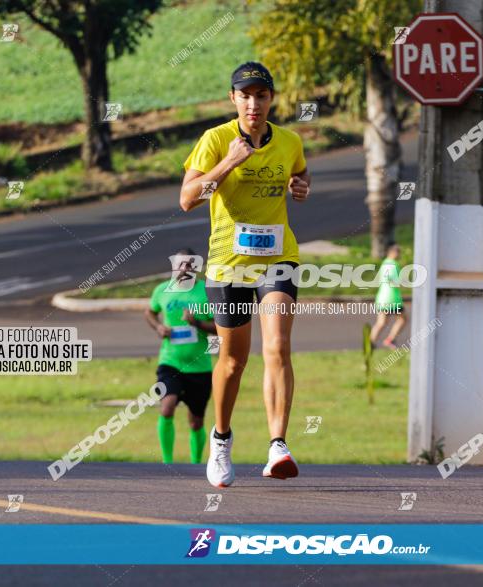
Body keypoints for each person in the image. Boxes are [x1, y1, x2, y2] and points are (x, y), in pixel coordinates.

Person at [179, 61, 311, 488]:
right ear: (233, 99)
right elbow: (187, 199)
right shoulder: (215, 140)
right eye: (246, 95)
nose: (254, 103)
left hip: (278, 258)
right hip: (228, 266)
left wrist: (300, 186)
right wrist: (228, 164)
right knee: (233, 361)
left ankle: (278, 445)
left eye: (262, 95)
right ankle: (220, 441)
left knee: (278, 346)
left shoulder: (289, 141)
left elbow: (300, 169)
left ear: (271, 99)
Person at [144, 248, 216, 464]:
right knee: (167, 407)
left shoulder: (206, 291)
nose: (185, 268)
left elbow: (220, 327)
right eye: (180, 264)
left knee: (196, 422)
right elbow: (149, 312)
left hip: (200, 366)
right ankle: (167, 462)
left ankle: (195, 463)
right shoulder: (162, 290)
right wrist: (158, 327)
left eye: (189, 265)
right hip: (170, 362)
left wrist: (198, 323)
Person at [370, 243, 407, 349]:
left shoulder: (384, 263)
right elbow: (394, 281)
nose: (399, 255)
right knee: (403, 319)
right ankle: (390, 339)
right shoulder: (393, 264)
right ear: (393, 252)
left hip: (382, 297)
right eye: (398, 252)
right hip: (392, 298)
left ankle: (371, 342)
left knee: (381, 322)